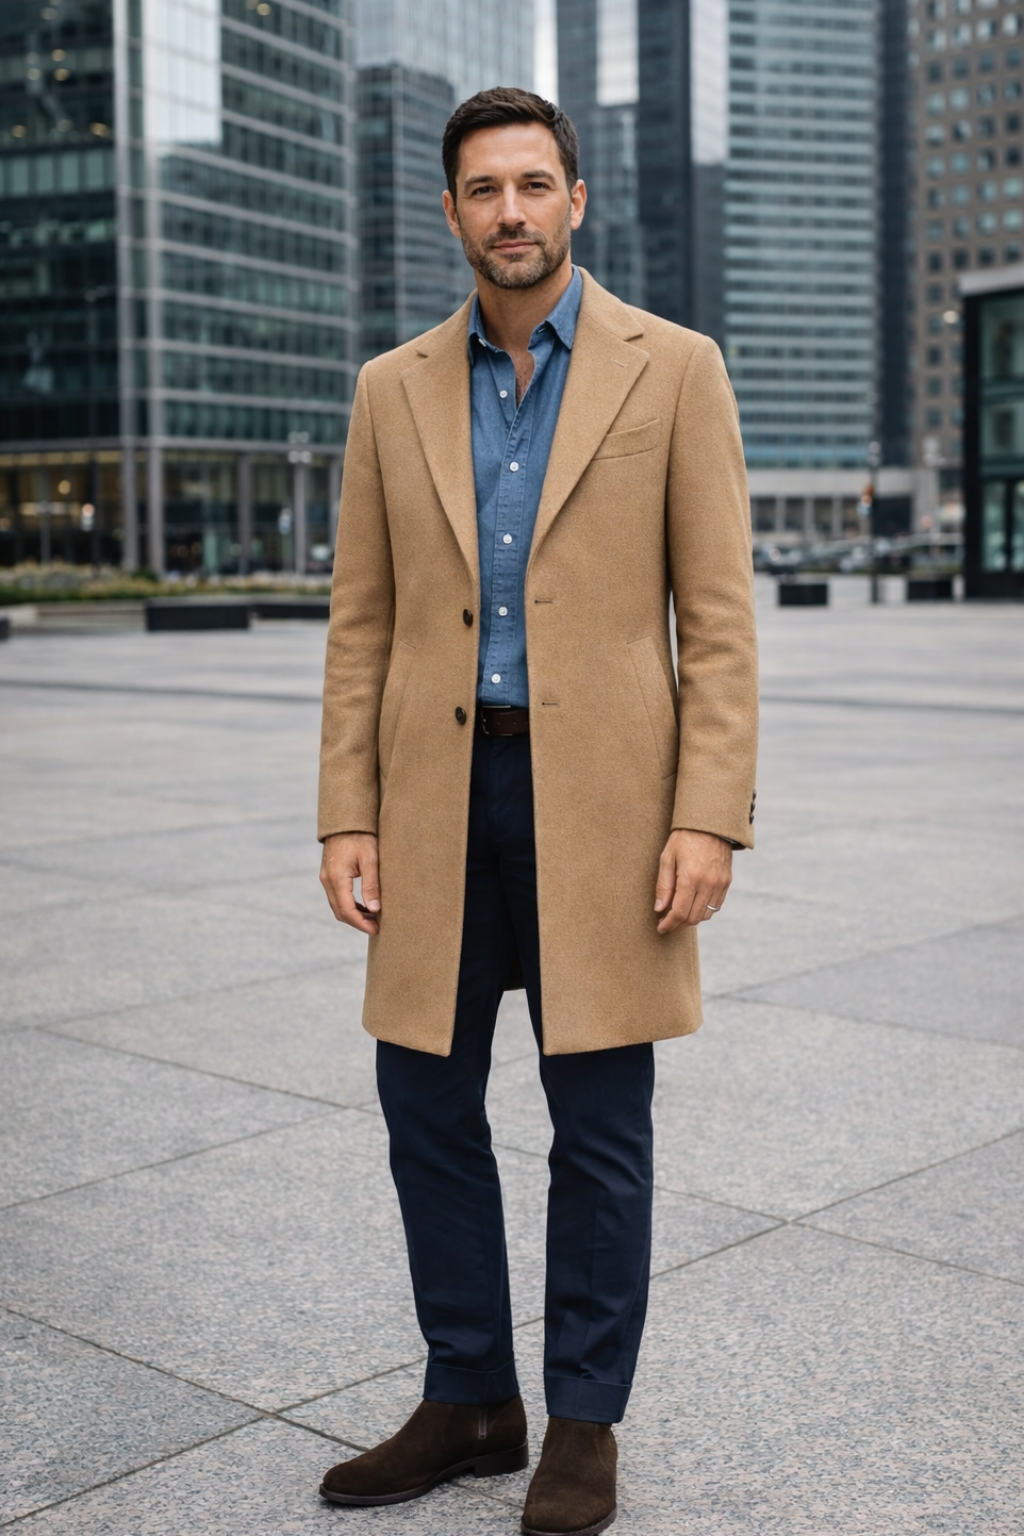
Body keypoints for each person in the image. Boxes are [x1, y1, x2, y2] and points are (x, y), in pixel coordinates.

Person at [316, 87, 758, 1536]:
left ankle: (582, 1423)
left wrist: (710, 816)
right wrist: (345, 814)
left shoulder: (674, 369)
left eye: (533, 184)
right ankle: (468, 1396)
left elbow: (721, 620)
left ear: (578, 199)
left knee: (600, 1127)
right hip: (436, 797)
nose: (509, 211)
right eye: (483, 190)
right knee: (423, 1105)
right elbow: (361, 624)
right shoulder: (392, 390)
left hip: (609, 806)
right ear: (449, 214)